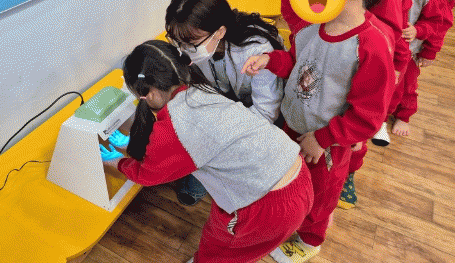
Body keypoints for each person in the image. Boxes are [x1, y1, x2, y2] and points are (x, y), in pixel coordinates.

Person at [244, 0, 395, 263]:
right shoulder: (309, 27)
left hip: (327, 144)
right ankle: (287, 218)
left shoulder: (371, 45)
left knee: (320, 196)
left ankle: (309, 241)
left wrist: (324, 138)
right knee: (289, 180)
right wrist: (271, 60)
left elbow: (368, 116)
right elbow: (298, 64)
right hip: (292, 124)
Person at [102, 40, 313, 263]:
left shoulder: (174, 127)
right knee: (235, 245)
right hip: (298, 176)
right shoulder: (200, 89)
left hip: (268, 208)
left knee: (221, 251)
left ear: (150, 94)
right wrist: (134, 145)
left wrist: (117, 162)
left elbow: (147, 174)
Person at [281, 0, 410, 210]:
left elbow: (388, 53)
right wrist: (308, 34)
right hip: (311, 92)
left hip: (341, 117)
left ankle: (347, 174)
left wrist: (349, 135)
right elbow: (291, 3)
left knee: (337, 167)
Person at [164, 0, 285, 205]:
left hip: (259, 117)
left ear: (220, 31)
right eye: (178, 42)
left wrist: (218, 135)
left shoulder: (256, 50)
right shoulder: (199, 46)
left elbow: (266, 112)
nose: (183, 50)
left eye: (190, 43)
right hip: (226, 105)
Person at [388, 0, 451, 137]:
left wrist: (419, 32)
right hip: (388, 47)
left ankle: (403, 115)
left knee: (407, 86)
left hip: (410, 52)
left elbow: (437, 23)